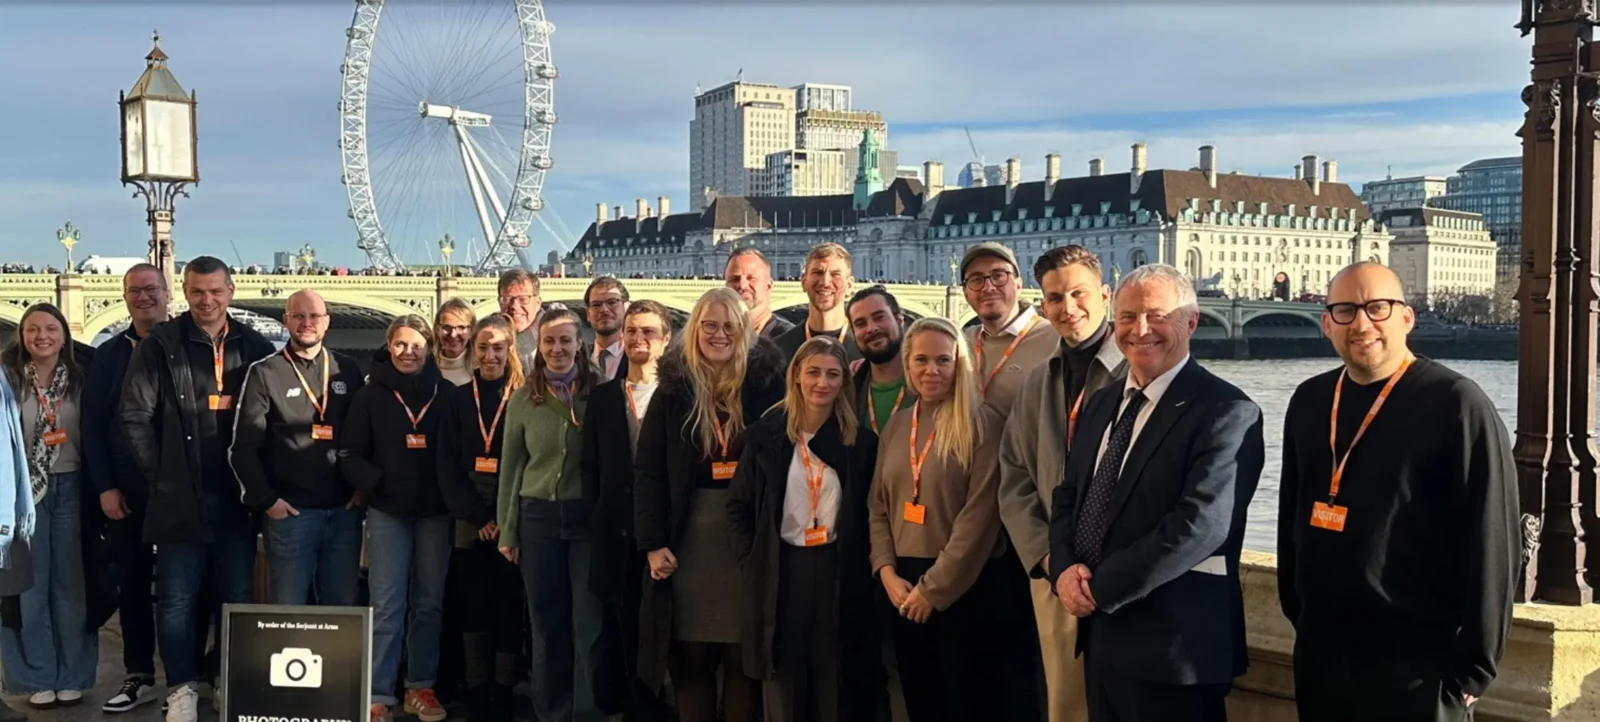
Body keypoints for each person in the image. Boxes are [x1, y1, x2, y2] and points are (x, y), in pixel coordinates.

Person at [1277, 262, 1518, 722]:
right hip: (1323, 660)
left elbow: (1492, 541)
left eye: (1377, 307)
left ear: (1407, 318)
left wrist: (1473, 670)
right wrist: (1302, 616)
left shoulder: (1456, 403)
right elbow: (1292, 514)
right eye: (1346, 310)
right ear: (1327, 323)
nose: (1362, 323)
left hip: (1418, 669)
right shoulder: (1309, 401)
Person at [1048, 264, 1264, 722]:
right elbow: (1070, 495)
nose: (1139, 330)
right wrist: (1064, 570)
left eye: (1155, 315)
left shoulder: (1227, 411)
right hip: (1102, 641)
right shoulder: (1103, 402)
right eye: (1126, 317)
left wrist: (1096, 589)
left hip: (1175, 652)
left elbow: (1199, 526)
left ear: (1191, 321)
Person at [120, 256, 276, 722]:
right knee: (176, 598)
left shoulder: (254, 345)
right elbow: (134, 416)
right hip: (179, 495)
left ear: (231, 291)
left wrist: (261, 485)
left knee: (235, 594)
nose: (207, 300)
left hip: (236, 495)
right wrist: (160, 477)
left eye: (215, 291)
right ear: (184, 293)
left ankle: (227, 678)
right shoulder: (160, 344)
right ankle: (182, 686)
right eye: (197, 292)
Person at [634, 287, 787, 722]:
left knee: (744, 667)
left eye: (729, 327)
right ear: (694, 330)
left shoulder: (769, 387)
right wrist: (652, 542)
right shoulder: (673, 390)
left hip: (748, 543)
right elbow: (648, 472)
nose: (719, 335)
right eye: (709, 326)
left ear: (745, 332)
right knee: (691, 664)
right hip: (687, 545)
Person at [998, 246, 1124, 722]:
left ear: (1105, 295)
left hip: (1116, 576)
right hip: (1053, 572)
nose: (1068, 308)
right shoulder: (1037, 381)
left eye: (1078, 293)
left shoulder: (1135, 374)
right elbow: (1013, 476)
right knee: (1064, 706)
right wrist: (1048, 557)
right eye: (1054, 297)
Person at [727, 336, 882, 722]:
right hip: (782, 568)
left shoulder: (859, 444)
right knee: (783, 680)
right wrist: (753, 561)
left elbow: (871, 513)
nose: (822, 383)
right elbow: (738, 507)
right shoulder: (767, 436)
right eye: (813, 372)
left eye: (833, 374)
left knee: (836, 680)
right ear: (795, 375)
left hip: (837, 570)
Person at [867, 317, 1011, 722]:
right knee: (919, 697)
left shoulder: (982, 424)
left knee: (966, 700)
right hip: (902, 586)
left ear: (959, 365)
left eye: (943, 361)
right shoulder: (898, 425)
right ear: (908, 365)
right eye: (921, 360)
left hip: (963, 585)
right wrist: (885, 571)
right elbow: (878, 506)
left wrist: (934, 590)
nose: (931, 370)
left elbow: (979, 519)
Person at [339, 315, 451, 722]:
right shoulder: (369, 397)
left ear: (429, 347)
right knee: (386, 603)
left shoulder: (447, 393)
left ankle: (420, 686)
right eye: (400, 344)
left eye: (416, 344)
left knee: (429, 603)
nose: (408, 352)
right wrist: (380, 484)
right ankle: (378, 692)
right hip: (388, 513)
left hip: (436, 515)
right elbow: (350, 453)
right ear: (389, 347)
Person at [229, 289, 366, 606]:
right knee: (289, 608)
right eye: (299, 316)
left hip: (343, 514)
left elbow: (364, 436)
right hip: (291, 514)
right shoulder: (265, 373)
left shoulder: (347, 370)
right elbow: (243, 447)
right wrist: (267, 501)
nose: (307, 323)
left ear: (327, 323)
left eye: (314, 316)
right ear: (285, 320)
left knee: (342, 605)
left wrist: (362, 490)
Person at [82, 263, 173, 714]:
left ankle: (187, 677)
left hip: (179, 490)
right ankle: (139, 674)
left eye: (151, 289)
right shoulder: (108, 356)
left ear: (167, 292)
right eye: (135, 291)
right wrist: (105, 487)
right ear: (124, 297)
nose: (143, 297)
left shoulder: (186, 345)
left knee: (183, 586)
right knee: (132, 585)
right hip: (125, 491)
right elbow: (93, 426)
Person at [0, 304, 96, 709]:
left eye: (51, 328)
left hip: (73, 486)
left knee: (72, 586)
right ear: (21, 335)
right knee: (29, 586)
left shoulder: (82, 377)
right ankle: (36, 676)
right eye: (33, 329)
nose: (42, 336)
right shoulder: (7, 379)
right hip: (25, 493)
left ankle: (72, 674)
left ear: (64, 334)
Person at [583, 300, 671, 719]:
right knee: (621, 630)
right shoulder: (603, 398)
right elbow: (590, 467)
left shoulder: (680, 397)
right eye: (632, 331)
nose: (638, 339)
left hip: (666, 536)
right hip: (617, 534)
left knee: (664, 631)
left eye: (648, 331)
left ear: (666, 340)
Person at [437, 313, 525, 722]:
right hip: (468, 518)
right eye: (484, 347)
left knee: (509, 604)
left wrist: (503, 517)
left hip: (512, 515)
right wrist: (476, 515)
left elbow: (528, 462)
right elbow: (446, 465)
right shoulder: (456, 399)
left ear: (511, 350)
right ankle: (476, 687)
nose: (491, 356)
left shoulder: (525, 397)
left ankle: (505, 689)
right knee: (471, 604)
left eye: (499, 348)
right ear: (474, 350)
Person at [960, 242, 1058, 416]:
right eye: (976, 279)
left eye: (998, 276)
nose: (988, 287)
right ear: (966, 293)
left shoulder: (1057, 340)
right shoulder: (962, 342)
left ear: (1018, 285)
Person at [774, 243, 861, 362]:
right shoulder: (778, 351)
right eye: (818, 273)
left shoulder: (866, 347)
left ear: (849, 285)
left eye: (835, 274)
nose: (825, 282)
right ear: (804, 282)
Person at [846, 286, 913, 435]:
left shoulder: (930, 385)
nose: (871, 328)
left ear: (900, 320)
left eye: (879, 317)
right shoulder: (846, 391)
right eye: (861, 324)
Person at [725, 247, 794, 339]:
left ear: (769, 286)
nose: (742, 285)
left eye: (751, 278)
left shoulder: (791, 339)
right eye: (734, 279)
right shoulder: (716, 338)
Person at [585, 277, 630, 383]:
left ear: (626, 308)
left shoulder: (638, 358)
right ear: (588, 314)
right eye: (596, 305)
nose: (604, 310)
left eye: (612, 302)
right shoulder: (576, 360)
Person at [499, 269, 543, 369]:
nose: (515, 306)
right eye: (507, 299)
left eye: (523, 299)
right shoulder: (485, 340)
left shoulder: (557, 342)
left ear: (538, 303)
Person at [435, 298, 477, 386]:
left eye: (461, 327)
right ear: (437, 329)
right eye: (446, 327)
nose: (453, 335)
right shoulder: (426, 367)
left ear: (471, 331)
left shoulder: (480, 368)